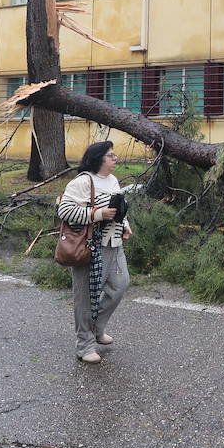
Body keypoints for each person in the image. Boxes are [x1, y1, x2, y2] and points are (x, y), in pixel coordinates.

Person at [57, 140, 131, 363]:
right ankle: (85, 346)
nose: (115, 158)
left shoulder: (113, 180)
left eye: (114, 154)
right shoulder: (82, 182)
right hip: (89, 247)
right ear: (98, 158)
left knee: (120, 285)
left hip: (114, 243)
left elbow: (118, 208)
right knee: (85, 298)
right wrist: (97, 215)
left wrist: (125, 225)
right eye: (110, 155)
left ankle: (97, 328)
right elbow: (65, 210)